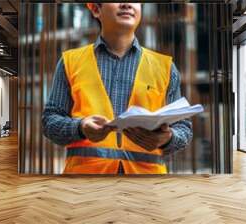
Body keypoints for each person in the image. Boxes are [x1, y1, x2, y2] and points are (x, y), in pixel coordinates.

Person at [42, 3, 193, 174]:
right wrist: (80, 127)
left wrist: (167, 138)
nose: (127, 4)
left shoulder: (165, 68)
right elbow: (49, 122)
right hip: (86, 185)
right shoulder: (70, 62)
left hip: (146, 186)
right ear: (96, 9)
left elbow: (184, 130)